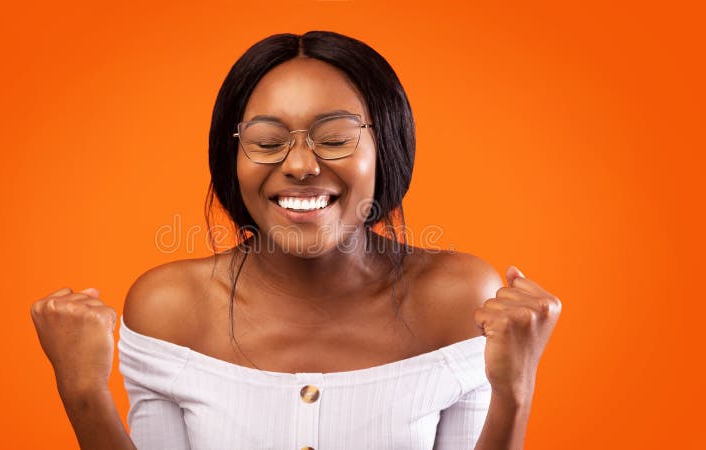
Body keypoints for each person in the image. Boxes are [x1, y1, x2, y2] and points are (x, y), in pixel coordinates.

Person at [30, 31, 562, 450]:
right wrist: (83, 393)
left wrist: (515, 392)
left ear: (387, 149)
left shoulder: (460, 297)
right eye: (266, 141)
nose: (302, 165)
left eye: (335, 138)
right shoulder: (169, 308)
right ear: (230, 157)